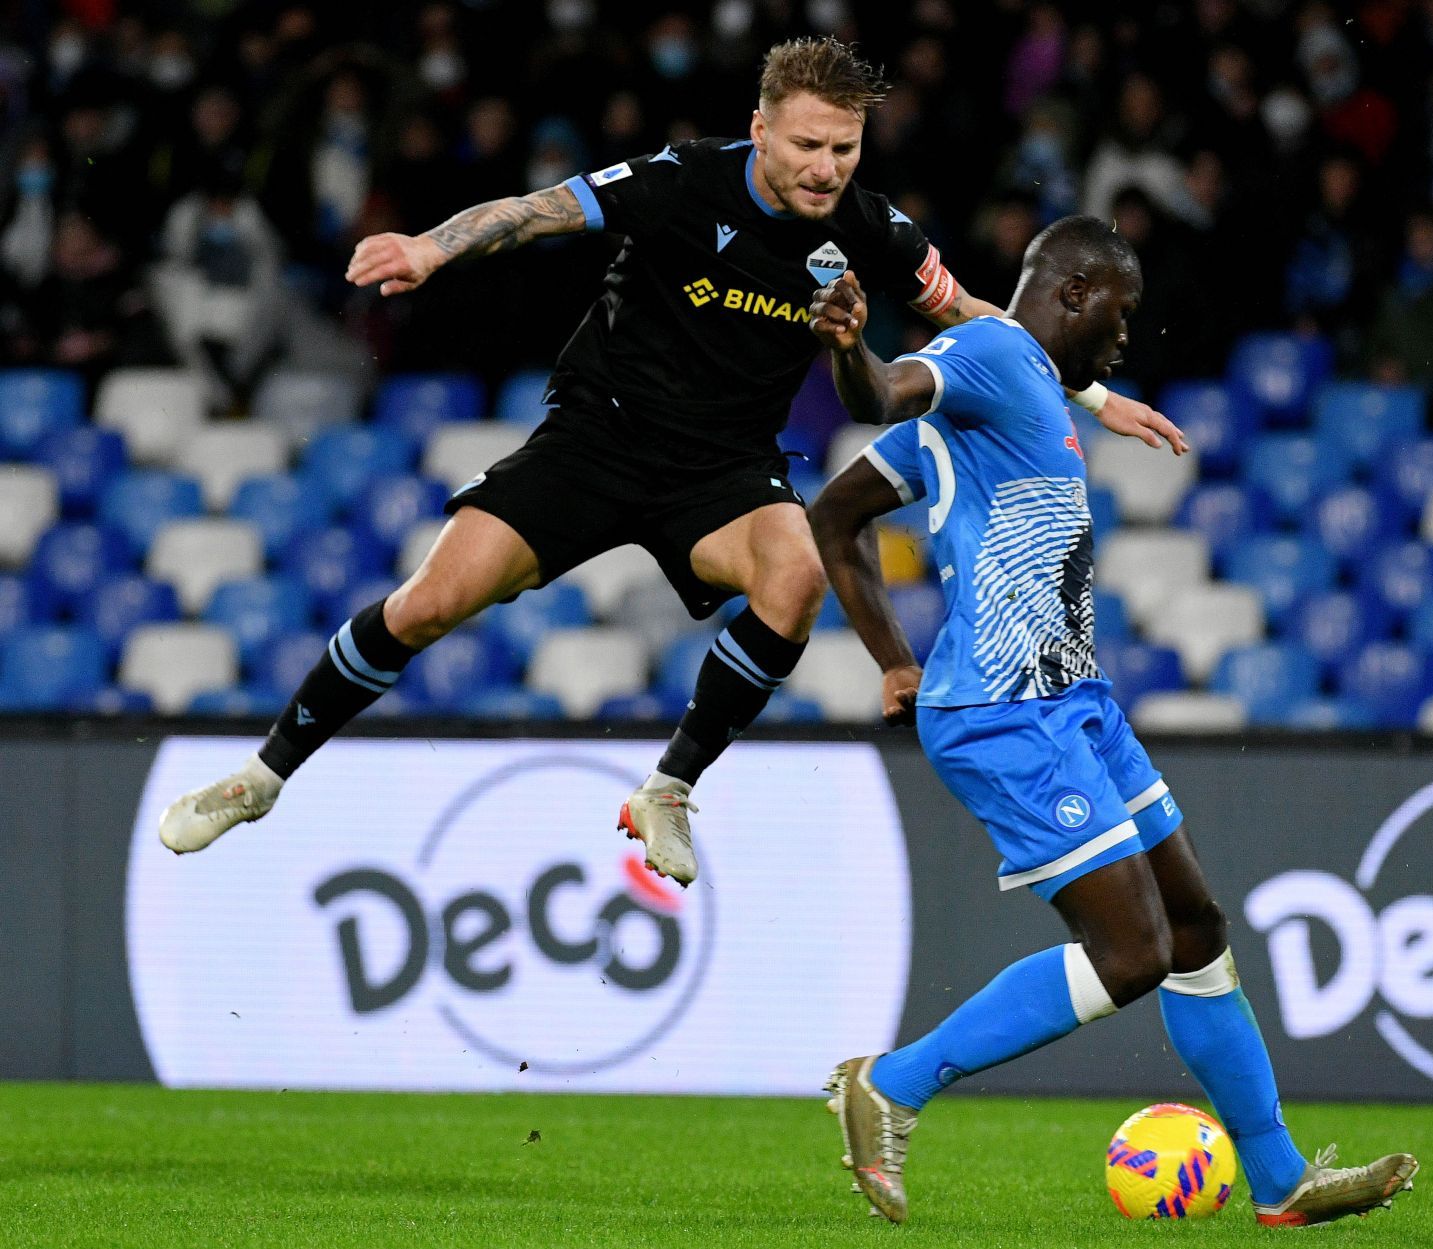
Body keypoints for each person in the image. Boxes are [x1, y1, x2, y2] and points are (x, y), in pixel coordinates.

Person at [157, 37, 1184, 879]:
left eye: (846, 148)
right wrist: (432, 245)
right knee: (427, 603)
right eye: (811, 146)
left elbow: (969, 317)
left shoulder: (869, 227)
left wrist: (1091, 393)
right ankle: (264, 773)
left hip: (723, 467)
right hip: (596, 438)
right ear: (761, 131)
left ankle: (669, 787)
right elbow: (536, 212)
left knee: (795, 572)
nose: (828, 168)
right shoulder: (680, 182)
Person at [805, 217, 1416, 1226]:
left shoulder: (1022, 392)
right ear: (1080, 293)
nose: (1127, 337)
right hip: (1007, 708)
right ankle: (892, 1083)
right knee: (1131, 951)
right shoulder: (992, 353)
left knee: (1195, 928)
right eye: (1123, 315)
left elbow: (836, 512)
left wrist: (896, 657)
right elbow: (885, 390)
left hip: (1074, 699)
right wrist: (847, 351)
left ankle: (1279, 1177)